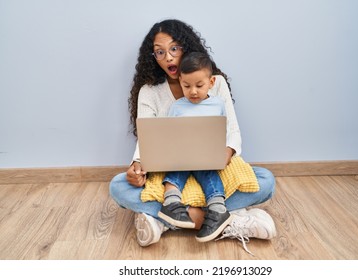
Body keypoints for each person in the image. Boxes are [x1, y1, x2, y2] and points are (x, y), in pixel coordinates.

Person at [109, 19, 277, 248]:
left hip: (212, 171)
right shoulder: (150, 91)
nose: (168, 57)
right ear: (153, 57)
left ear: (186, 47)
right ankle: (218, 220)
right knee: (118, 186)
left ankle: (168, 221)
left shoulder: (215, 82)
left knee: (266, 181)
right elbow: (147, 137)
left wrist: (225, 154)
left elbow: (233, 131)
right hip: (172, 175)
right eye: (160, 52)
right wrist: (137, 164)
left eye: (174, 48)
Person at [158, 52, 232, 242]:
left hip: (206, 156)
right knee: (176, 170)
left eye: (199, 86)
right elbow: (168, 134)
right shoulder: (177, 107)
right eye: (186, 86)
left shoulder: (218, 104)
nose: (193, 91)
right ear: (180, 81)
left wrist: (224, 151)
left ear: (211, 82)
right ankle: (172, 205)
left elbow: (225, 130)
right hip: (181, 156)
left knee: (208, 173)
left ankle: (217, 210)